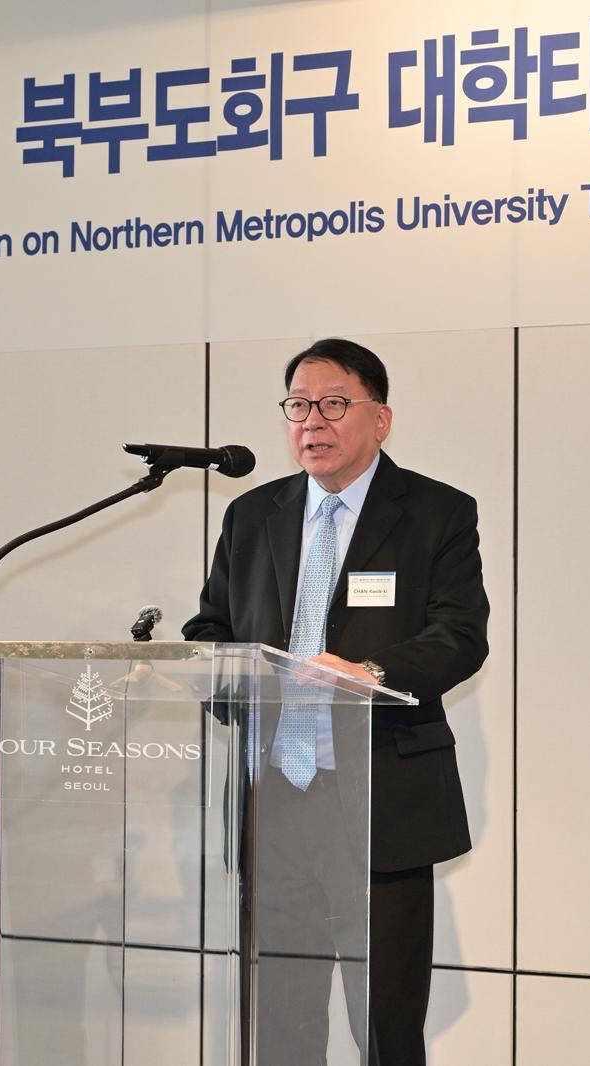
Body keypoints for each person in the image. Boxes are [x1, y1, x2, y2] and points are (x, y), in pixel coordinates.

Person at [183, 337, 489, 1066]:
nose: (311, 422)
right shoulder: (253, 515)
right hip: (275, 803)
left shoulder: (437, 514)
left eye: (332, 404)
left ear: (380, 419)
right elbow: (210, 628)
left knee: (383, 1024)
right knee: (281, 1019)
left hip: (381, 798)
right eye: (297, 406)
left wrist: (369, 672)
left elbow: (459, 636)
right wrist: (235, 683)